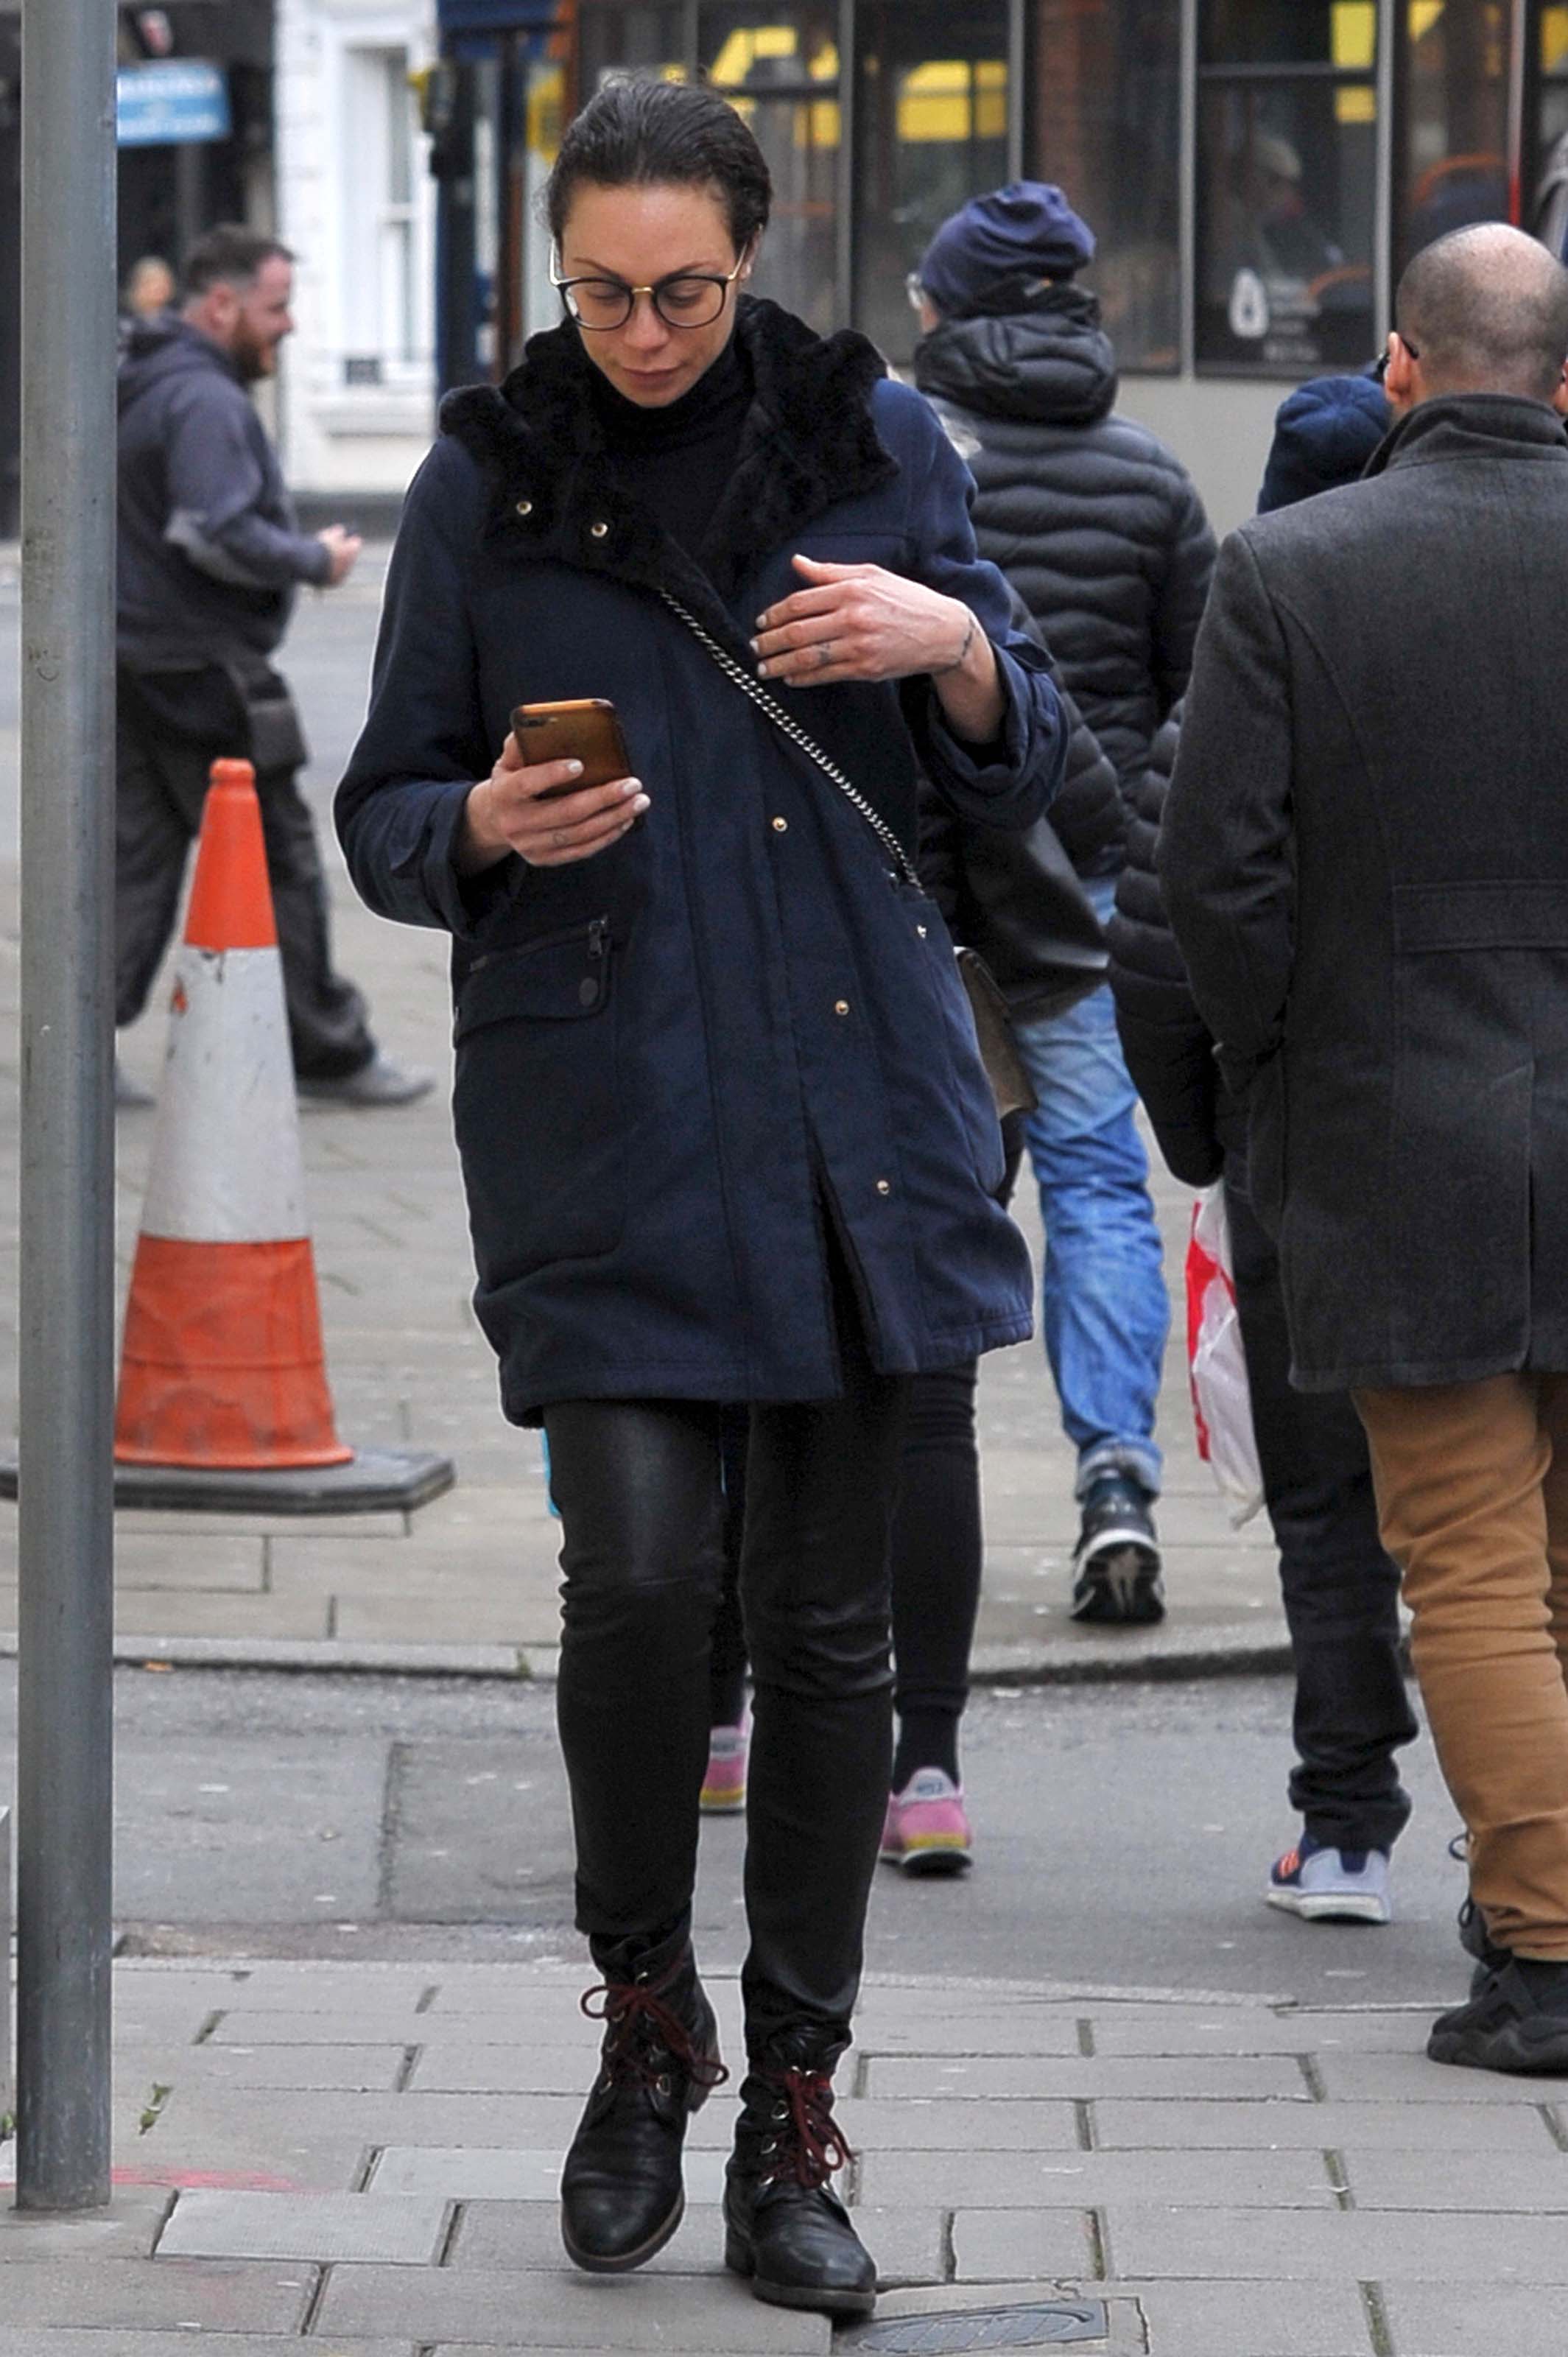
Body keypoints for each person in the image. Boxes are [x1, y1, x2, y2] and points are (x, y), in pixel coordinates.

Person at [336, 77, 1065, 2314]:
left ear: (752, 255)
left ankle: (796, 2110)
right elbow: (380, 812)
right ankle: (647, 2025)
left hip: (848, 1103)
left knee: (829, 1638)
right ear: (553, 274)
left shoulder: (879, 451)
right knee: (642, 1586)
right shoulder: (488, 474)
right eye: (599, 289)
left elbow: (1038, 746)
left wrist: (939, 652)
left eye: (681, 288)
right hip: (608, 1105)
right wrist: (479, 830)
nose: (641, 328)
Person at [1160, 222, 1568, 2076]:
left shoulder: (1289, 572)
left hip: (1400, 1142)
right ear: (1562, 379)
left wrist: (1279, 1065)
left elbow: (1216, 882)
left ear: (1399, 369)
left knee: (1471, 1565)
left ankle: (1545, 1955)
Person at [1111, 373, 1420, 1928]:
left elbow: (1160, 937)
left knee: (1323, 1504)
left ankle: (1347, 1818)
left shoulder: (1245, 659)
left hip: (1301, 1149)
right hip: (1507, 1147)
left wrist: (1211, 1133)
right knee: (1504, 1518)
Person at [910, 182, 1216, 1621]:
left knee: (924, 1191)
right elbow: (1196, 712)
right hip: (1083, 900)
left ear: (945, 312)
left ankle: (912, 1484)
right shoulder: (1150, 480)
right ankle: (1112, 1477)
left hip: (924, 897)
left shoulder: (902, 465)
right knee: (1098, 1187)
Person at [116, 224, 431, 1108]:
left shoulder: (148, 380)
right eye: (276, 306)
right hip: (203, 669)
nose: (287, 327)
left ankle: (79, 1034)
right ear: (222, 306)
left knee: (137, 857)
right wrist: (309, 558)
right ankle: (327, 1048)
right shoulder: (204, 400)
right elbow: (209, 529)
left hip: (142, 658)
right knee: (281, 857)